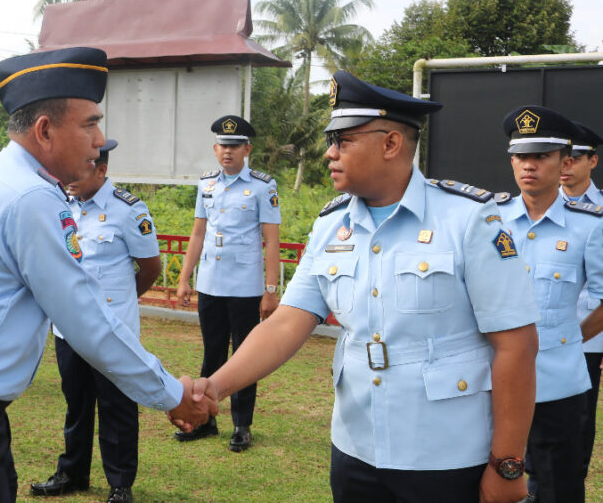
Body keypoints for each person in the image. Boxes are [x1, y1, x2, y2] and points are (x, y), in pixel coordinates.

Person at [179, 71, 541, 503]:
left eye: (343, 140)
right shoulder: (332, 225)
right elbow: (287, 323)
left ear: (390, 144)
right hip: (356, 449)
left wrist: (507, 463)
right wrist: (214, 387)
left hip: (445, 456)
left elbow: (517, 345)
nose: (329, 153)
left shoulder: (467, 220)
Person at [0, 47, 214, 502]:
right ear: (45, 130)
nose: (100, 140)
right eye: (90, 124)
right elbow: (86, 322)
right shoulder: (31, 198)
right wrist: (172, 394)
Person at [30, 139, 161, 503]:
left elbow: (150, 267)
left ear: (102, 170)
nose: (70, 175)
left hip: (112, 330)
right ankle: (72, 473)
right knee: (77, 401)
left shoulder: (128, 210)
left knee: (117, 403)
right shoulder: (60, 205)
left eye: (81, 166)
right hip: (68, 328)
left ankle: (120, 483)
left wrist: (120, 304)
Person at [496, 105, 603, 502]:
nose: (529, 166)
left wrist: (569, 338)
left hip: (557, 379)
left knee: (557, 481)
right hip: (493, 375)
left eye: (541, 156)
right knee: (493, 474)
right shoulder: (490, 220)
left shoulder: (589, 225)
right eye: (522, 157)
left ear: (563, 162)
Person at [174, 114, 281, 451]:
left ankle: (242, 425)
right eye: (222, 145)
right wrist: (184, 277)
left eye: (235, 146)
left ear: (247, 149)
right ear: (215, 148)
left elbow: (273, 240)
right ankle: (207, 420)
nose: (227, 151)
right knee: (212, 355)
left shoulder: (263, 186)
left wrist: (271, 289)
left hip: (245, 287)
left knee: (244, 357)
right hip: (210, 283)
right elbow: (197, 233)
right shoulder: (206, 184)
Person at [562, 120, 603, 481]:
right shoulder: (532, 206)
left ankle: (566, 482)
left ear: (592, 161)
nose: (566, 165)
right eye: (562, 157)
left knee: (579, 418)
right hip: (540, 331)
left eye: (575, 157)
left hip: (590, 336)